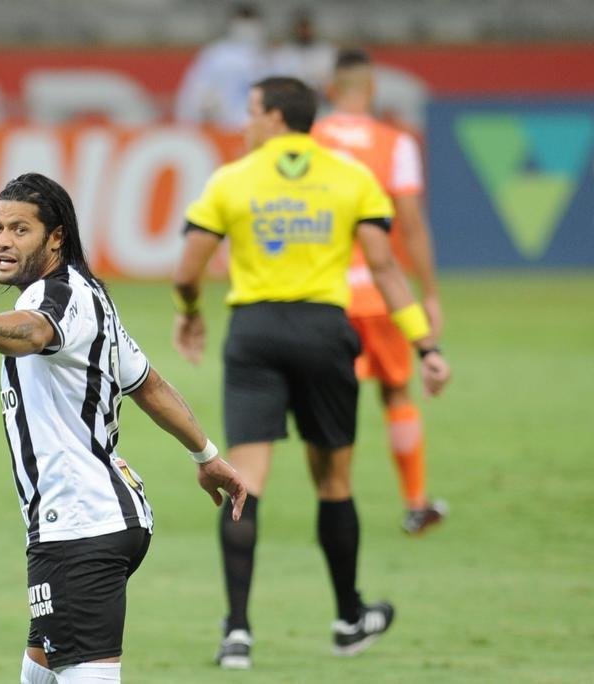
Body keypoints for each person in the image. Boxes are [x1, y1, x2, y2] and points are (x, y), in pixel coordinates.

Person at [0, 172, 247, 684]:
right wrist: (207, 456)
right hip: (102, 518)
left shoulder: (58, 298)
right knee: (40, 669)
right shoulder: (91, 298)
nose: (2, 241)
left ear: (56, 237)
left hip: (79, 525)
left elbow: (35, 332)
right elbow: (148, 385)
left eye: (20, 229)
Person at [171, 77, 451, 669]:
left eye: (252, 111)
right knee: (334, 483)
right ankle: (349, 619)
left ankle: (237, 633)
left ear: (276, 117)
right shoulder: (352, 178)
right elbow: (385, 270)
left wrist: (189, 313)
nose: (246, 122)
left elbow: (188, 270)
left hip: (254, 334)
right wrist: (425, 345)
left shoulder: (231, 179)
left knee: (245, 480)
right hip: (325, 333)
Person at [312, 48, 448, 534]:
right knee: (396, 393)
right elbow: (411, 225)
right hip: (380, 293)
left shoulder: (308, 139)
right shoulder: (395, 143)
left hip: (326, 295)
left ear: (330, 90)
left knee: (331, 402)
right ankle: (416, 502)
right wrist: (428, 294)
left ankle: (335, 500)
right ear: (371, 90)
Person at [173, 2, 273, 129]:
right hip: (224, 127)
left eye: (250, 21)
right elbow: (194, 93)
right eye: (243, 21)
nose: (247, 28)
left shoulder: (272, 57)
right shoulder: (216, 55)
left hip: (262, 129)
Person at [270, 8, 337, 95]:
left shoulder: (326, 51)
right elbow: (281, 77)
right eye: (300, 28)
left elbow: (329, 78)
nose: (304, 32)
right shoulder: (285, 52)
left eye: (306, 28)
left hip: (320, 95)